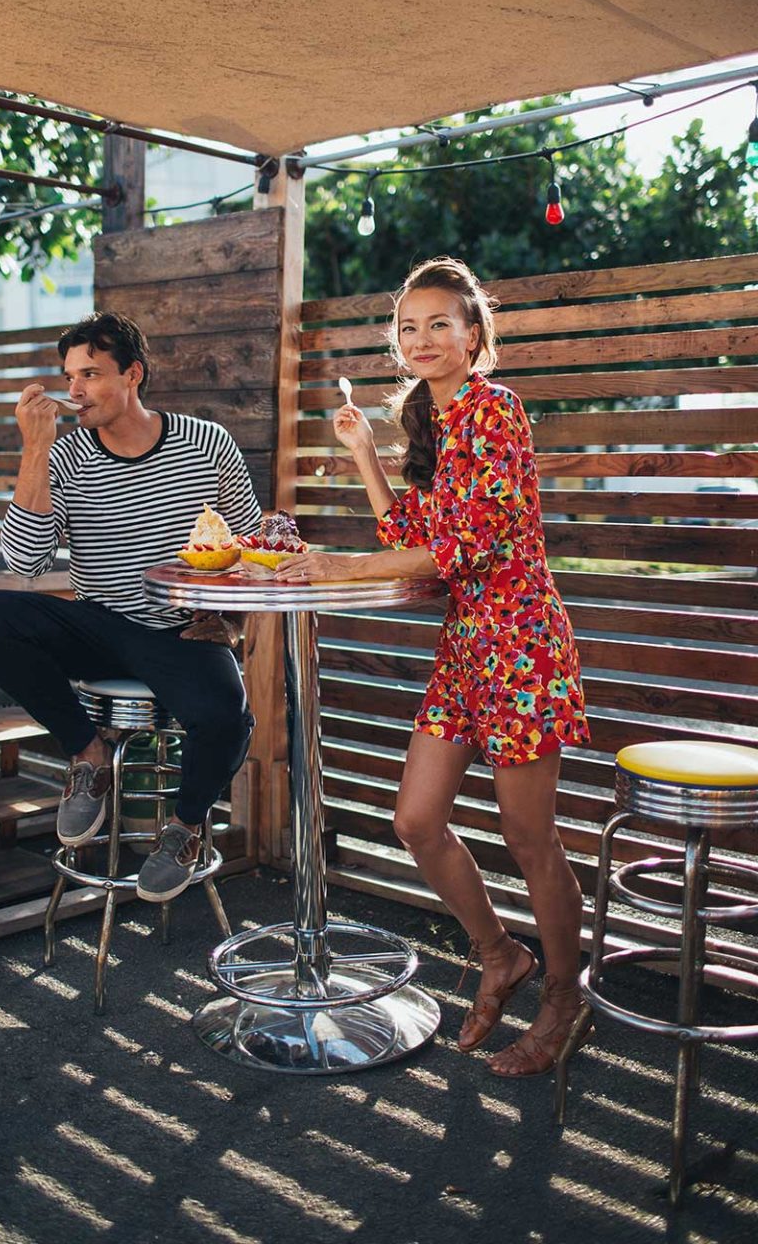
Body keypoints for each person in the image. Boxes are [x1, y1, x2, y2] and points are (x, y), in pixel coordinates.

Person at [275, 257, 590, 1076]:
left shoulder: (494, 409)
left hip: (520, 643)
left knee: (530, 836)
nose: (422, 338)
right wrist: (364, 456)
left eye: (439, 324)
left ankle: (564, 994)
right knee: (416, 819)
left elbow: (468, 546)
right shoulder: (441, 422)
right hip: (465, 648)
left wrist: (342, 570)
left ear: (473, 336)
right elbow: (408, 538)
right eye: (408, 327)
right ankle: (499, 954)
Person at [0, 311, 259, 904]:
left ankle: (185, 828)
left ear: (133, 375)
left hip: (178, 629)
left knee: (228, 714)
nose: (72, 390)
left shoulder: (208, 444)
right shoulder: (64, 455)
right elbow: (23, 563)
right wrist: (36, 450)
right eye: (68, 375)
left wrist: (229, 622)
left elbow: (248, 548)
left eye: (90, 375)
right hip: (97, 621)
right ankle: (88, 753)